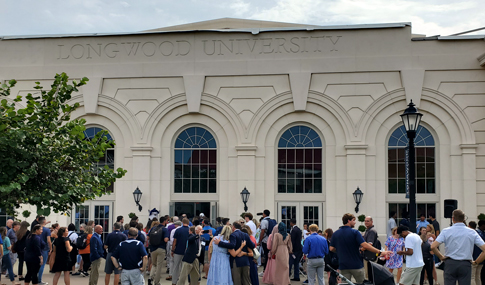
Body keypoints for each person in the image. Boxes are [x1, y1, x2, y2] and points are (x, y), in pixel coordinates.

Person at [330, 213, 390, 284]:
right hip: (356, 265)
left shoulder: (336, 233)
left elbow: (331, 248)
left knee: (345, 284)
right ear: (349, 221)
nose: (355, 222)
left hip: (343, 265)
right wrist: (379, 252)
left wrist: (341, 249)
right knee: (361, 283)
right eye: (354, 220)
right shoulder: (355, 232)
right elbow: (365, 245)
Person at [432, 209, 485, 285]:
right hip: (465, 263)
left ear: (453, 219)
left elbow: (433, 246)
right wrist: (476, 262)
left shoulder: (446, 231)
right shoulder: (471, 232)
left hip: (450, 262)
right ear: (464, 219)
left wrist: (441, 257)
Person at [214, 221, 255, 285]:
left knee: (237, 281)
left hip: (236, 261)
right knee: (247, 281)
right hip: (245, 261)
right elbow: (252, 245)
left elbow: (232, 245)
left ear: (233, 227)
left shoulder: (233, 235)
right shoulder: (245, 235)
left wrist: (220, 243)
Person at [148, 216, 169, 285]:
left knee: (154, 264)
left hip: (153, 249)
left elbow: (148, 237)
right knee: (159, 266)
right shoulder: (165, 229)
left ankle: (150, 278)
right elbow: (166, 239)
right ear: (165, 221)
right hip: (161, 248)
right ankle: (156, 282)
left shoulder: (153, 228)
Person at [171, 218, 190, 285]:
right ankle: (182, 282)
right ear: (188, 223)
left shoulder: (178, 230)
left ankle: (174, 282)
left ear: (182, 222)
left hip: (178, 251)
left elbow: (174, 241)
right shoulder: (190, 230)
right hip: (186, 252)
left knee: (175, 267)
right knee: (183, 269)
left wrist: (172, 250)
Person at [363, 216, 379, 280]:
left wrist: (361, 249)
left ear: (372, 222)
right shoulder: (368, 230)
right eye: (365, 221)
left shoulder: (371, 231)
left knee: (369, 276)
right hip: (368, 256)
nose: (366, 222)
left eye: (368, 221)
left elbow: (369, 244)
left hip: (370, 257)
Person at [38, 217, 51, 285]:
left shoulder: (36, 228)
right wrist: (50, 248)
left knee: (37, 264)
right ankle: (39, 280)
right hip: (44, 248)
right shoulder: (46, 230)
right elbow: (48, 240)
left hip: (37, 247)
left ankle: (35, 278)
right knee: (42, 264)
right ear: (44, 221)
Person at [258, 209, 272, 274]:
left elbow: (262, 231)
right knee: (270, 255)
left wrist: (259, 240)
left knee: (266, 255)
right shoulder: (271, 220)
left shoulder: (264, 221)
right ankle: (270, 269)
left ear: (264, 214)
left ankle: (265, 271)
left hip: (265, 240)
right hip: (271, 240)